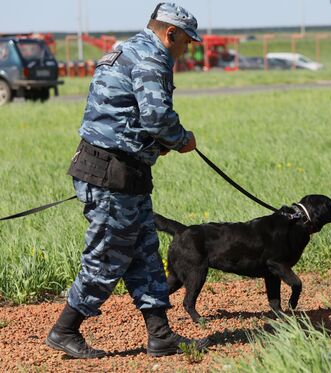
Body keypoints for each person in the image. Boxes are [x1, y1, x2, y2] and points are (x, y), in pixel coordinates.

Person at [45, 3, 208, 359]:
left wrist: (154, 145)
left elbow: (122, 115)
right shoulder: (152, 60)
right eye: (186, 42)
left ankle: (160, 336)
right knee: (106, 257)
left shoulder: (127, 49)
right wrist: (182, 140)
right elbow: (156, 116)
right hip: (111, 174)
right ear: (170, 33)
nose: (186, 48)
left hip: (122, 171)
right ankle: (65, 329)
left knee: (144, 255)